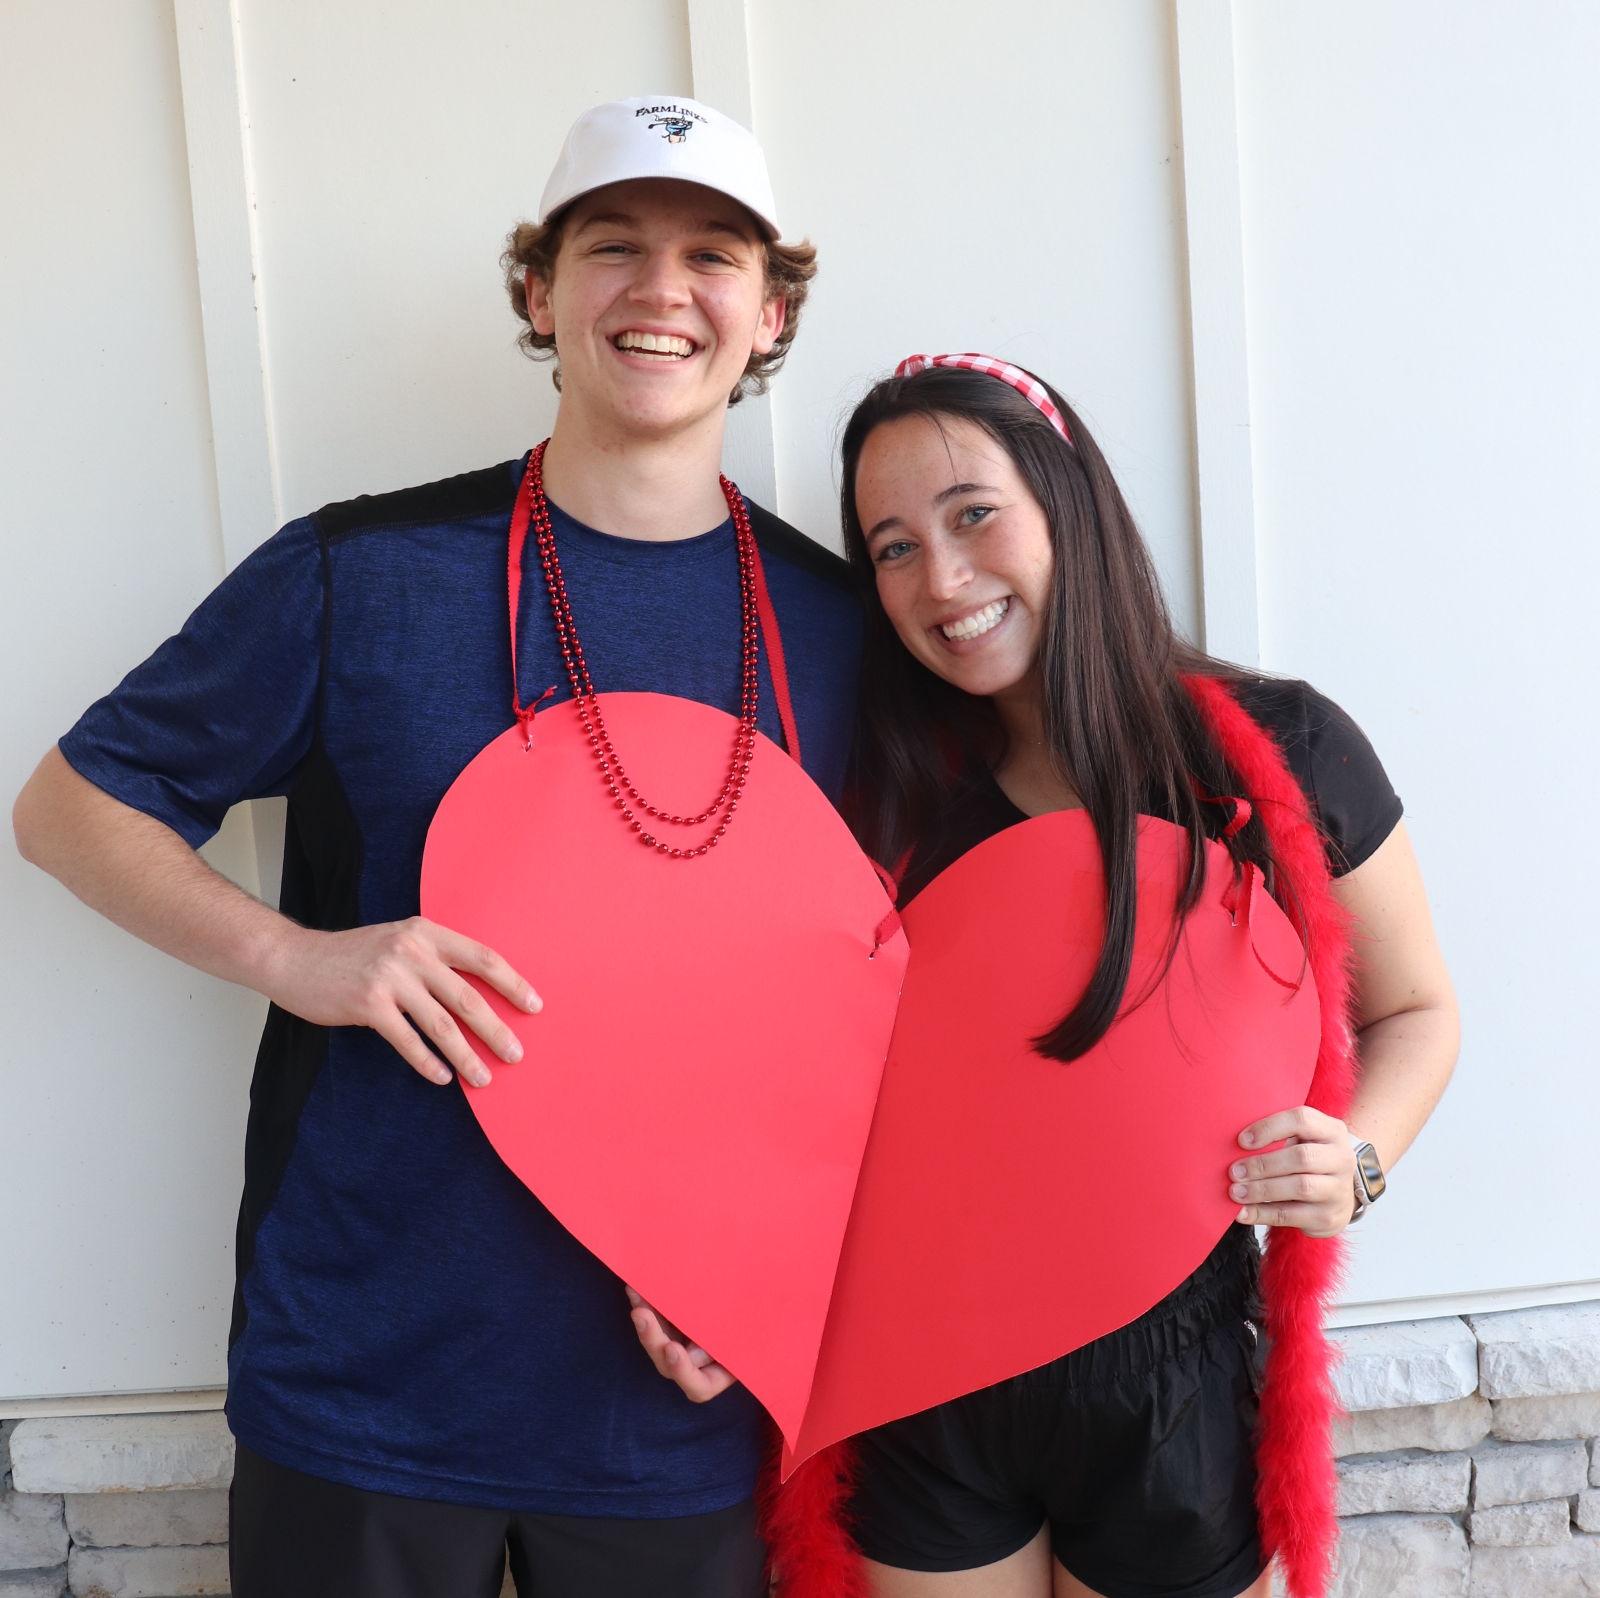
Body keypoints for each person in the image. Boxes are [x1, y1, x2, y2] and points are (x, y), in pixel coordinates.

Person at [12, 95, 861, 1598]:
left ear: (771, 311)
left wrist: (782, 1281)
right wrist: (299, 957)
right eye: (613, 246)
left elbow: (887, 1011)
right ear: (539, 290)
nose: (661, 290)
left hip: (683, 1406)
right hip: (365, 1386)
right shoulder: (361, 573)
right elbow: (72, 802)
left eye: (712, 256)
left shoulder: (845, 629)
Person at [634, 353, 1460, 1598]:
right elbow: (790, 1093)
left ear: (1067, 503)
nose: (941, 578)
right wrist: (711, 1271)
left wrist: (1359, 1158)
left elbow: (1417, 1009)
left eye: (973, 514)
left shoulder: (1283, 752)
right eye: (894, 548)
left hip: (1171, 1371)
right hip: (919, 1378)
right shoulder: (879, 803)